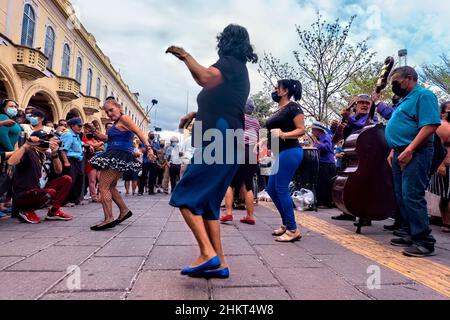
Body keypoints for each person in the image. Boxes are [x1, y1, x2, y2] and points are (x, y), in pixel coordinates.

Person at [167, 24, 258, 279]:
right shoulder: (237, 70)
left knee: (184, 195)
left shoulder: (229, 62)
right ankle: (220, 264)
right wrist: (194, 114)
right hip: (227, 140)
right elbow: (219, 96)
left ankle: (208, 254)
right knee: (208, 206)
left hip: (220, 140)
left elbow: (205, 77)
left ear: (226, 41)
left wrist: (185, 55)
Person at [386, 66, 441, 257]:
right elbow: (402, 126)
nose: (394, 86)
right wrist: (394, 149)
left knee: (412, 194)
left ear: (409, 78)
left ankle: (424, 241)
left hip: (416, 152)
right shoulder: (404, 100)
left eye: (396, 82)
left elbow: (430, 125)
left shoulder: (424, 96)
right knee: (402, 195)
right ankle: (410, 232)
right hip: (400, 152)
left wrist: (409, 149)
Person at [88, 98, 153, 231]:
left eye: (111, 110)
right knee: (110, 186)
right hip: (116, 154)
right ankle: (124, 211)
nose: (109, 114)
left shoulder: (125, 118)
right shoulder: (117, 122)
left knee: (103, 186)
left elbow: (139, 132)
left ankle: (108, 219)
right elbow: (107, 138)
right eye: (107, 112)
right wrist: (94, 130)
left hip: (117, 154)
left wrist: (149, 148)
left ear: (119, 108)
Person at [265, 79, 305, 242]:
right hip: (278, 152)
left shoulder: (293, 107)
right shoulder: (277, 111)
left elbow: (301, 129)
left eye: (277, 88)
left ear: (285, 91)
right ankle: (286, 224)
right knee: (271, 189)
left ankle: (293, 229)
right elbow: (273, 133)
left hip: (290, 151)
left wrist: (284, 134)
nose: (274, 90)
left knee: (280, 188)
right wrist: (263, 142)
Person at [331, 94, 379, 222]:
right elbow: (336, 140)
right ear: (355, 106)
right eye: (361, 102)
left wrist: (349, 120)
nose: (365, 105)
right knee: (347, 185)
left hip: (366, 158)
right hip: (350, 156)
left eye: (367, 103)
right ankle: (348, 211)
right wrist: (341, 124)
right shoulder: (350, 118)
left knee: (364, 186)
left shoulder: (372, 117)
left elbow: (364, 127)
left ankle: (365, 216)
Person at [7, 130, 73, 224]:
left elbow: (59, 171)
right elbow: (11, 162)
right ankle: (26, 210)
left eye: (47, 139)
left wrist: (55, 154)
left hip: (40, 190)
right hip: (24, 194)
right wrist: (26, 145)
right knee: (50, 192)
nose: (47, 141)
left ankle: (53, 212)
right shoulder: (28, 152)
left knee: (66, 179)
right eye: (43, 139)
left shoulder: (47, 154)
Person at [221, 98, 261, 225]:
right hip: (252, 153)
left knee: (229, 183)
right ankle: (250, 216)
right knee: (248, 185)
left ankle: (228, 213)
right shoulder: (256, 122)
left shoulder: (235, 118)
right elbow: (258, 139)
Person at [427, 101, 450, 233]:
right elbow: (438, 147)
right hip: (445, 166)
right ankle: (446, 223)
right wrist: (440, 165)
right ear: (442, 113)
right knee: (445, 196)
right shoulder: (442, 126)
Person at [59, 117, 85, 207]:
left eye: (81, 126)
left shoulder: (76, 135)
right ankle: (65, 200)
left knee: (79, 180)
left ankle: (75, 199)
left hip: (78, 160)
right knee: (70, 180)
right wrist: (66, 162)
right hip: (70, 159)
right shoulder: (68, 135)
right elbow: (62, 149)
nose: (80, 128)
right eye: (79, 126)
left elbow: (80, 145)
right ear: (72, 126)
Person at [310, 122, 336, 208]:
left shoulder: (326, 137)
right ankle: (320, 201)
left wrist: (317, 142)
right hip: (321, 163)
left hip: (327, 164)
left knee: (327, 184)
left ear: (318, 130)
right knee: (321, 183)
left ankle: (327, 202)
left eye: (313, 130)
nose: (312, 131)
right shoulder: (318, 139)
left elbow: (327, 148)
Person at [82, 126, 104, 202]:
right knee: (92, 180)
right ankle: (94, 197)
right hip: (90, 161)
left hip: (98, 162)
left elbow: (102, 149)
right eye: (87, 131)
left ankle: (100, 195)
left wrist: (96, 146)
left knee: (100, 179)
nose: (89, 133)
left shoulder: (96, 139)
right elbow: (95, 147)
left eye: (91, 132)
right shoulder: (85, 139)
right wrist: (100, 143)